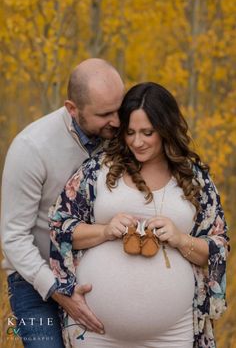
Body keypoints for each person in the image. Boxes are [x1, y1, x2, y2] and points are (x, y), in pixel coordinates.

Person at [49, 82, 229, 348]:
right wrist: (104, 230)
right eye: (130, 132)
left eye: (148, 132)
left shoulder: (195, 180)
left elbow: (218, 247)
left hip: (173, 334)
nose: (137, 141)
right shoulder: (97, 171)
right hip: (96, 333)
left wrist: (180, 239)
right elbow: (59, 227)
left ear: (166, 129)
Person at [0, 58, 125, 347]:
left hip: (97, 275)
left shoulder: (123, 137)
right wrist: (59, 291)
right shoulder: (31, 148)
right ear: (72, 109)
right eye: (105, 114)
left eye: (120, 109)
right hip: (35, 284)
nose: (117, 121)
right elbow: (13, 237)